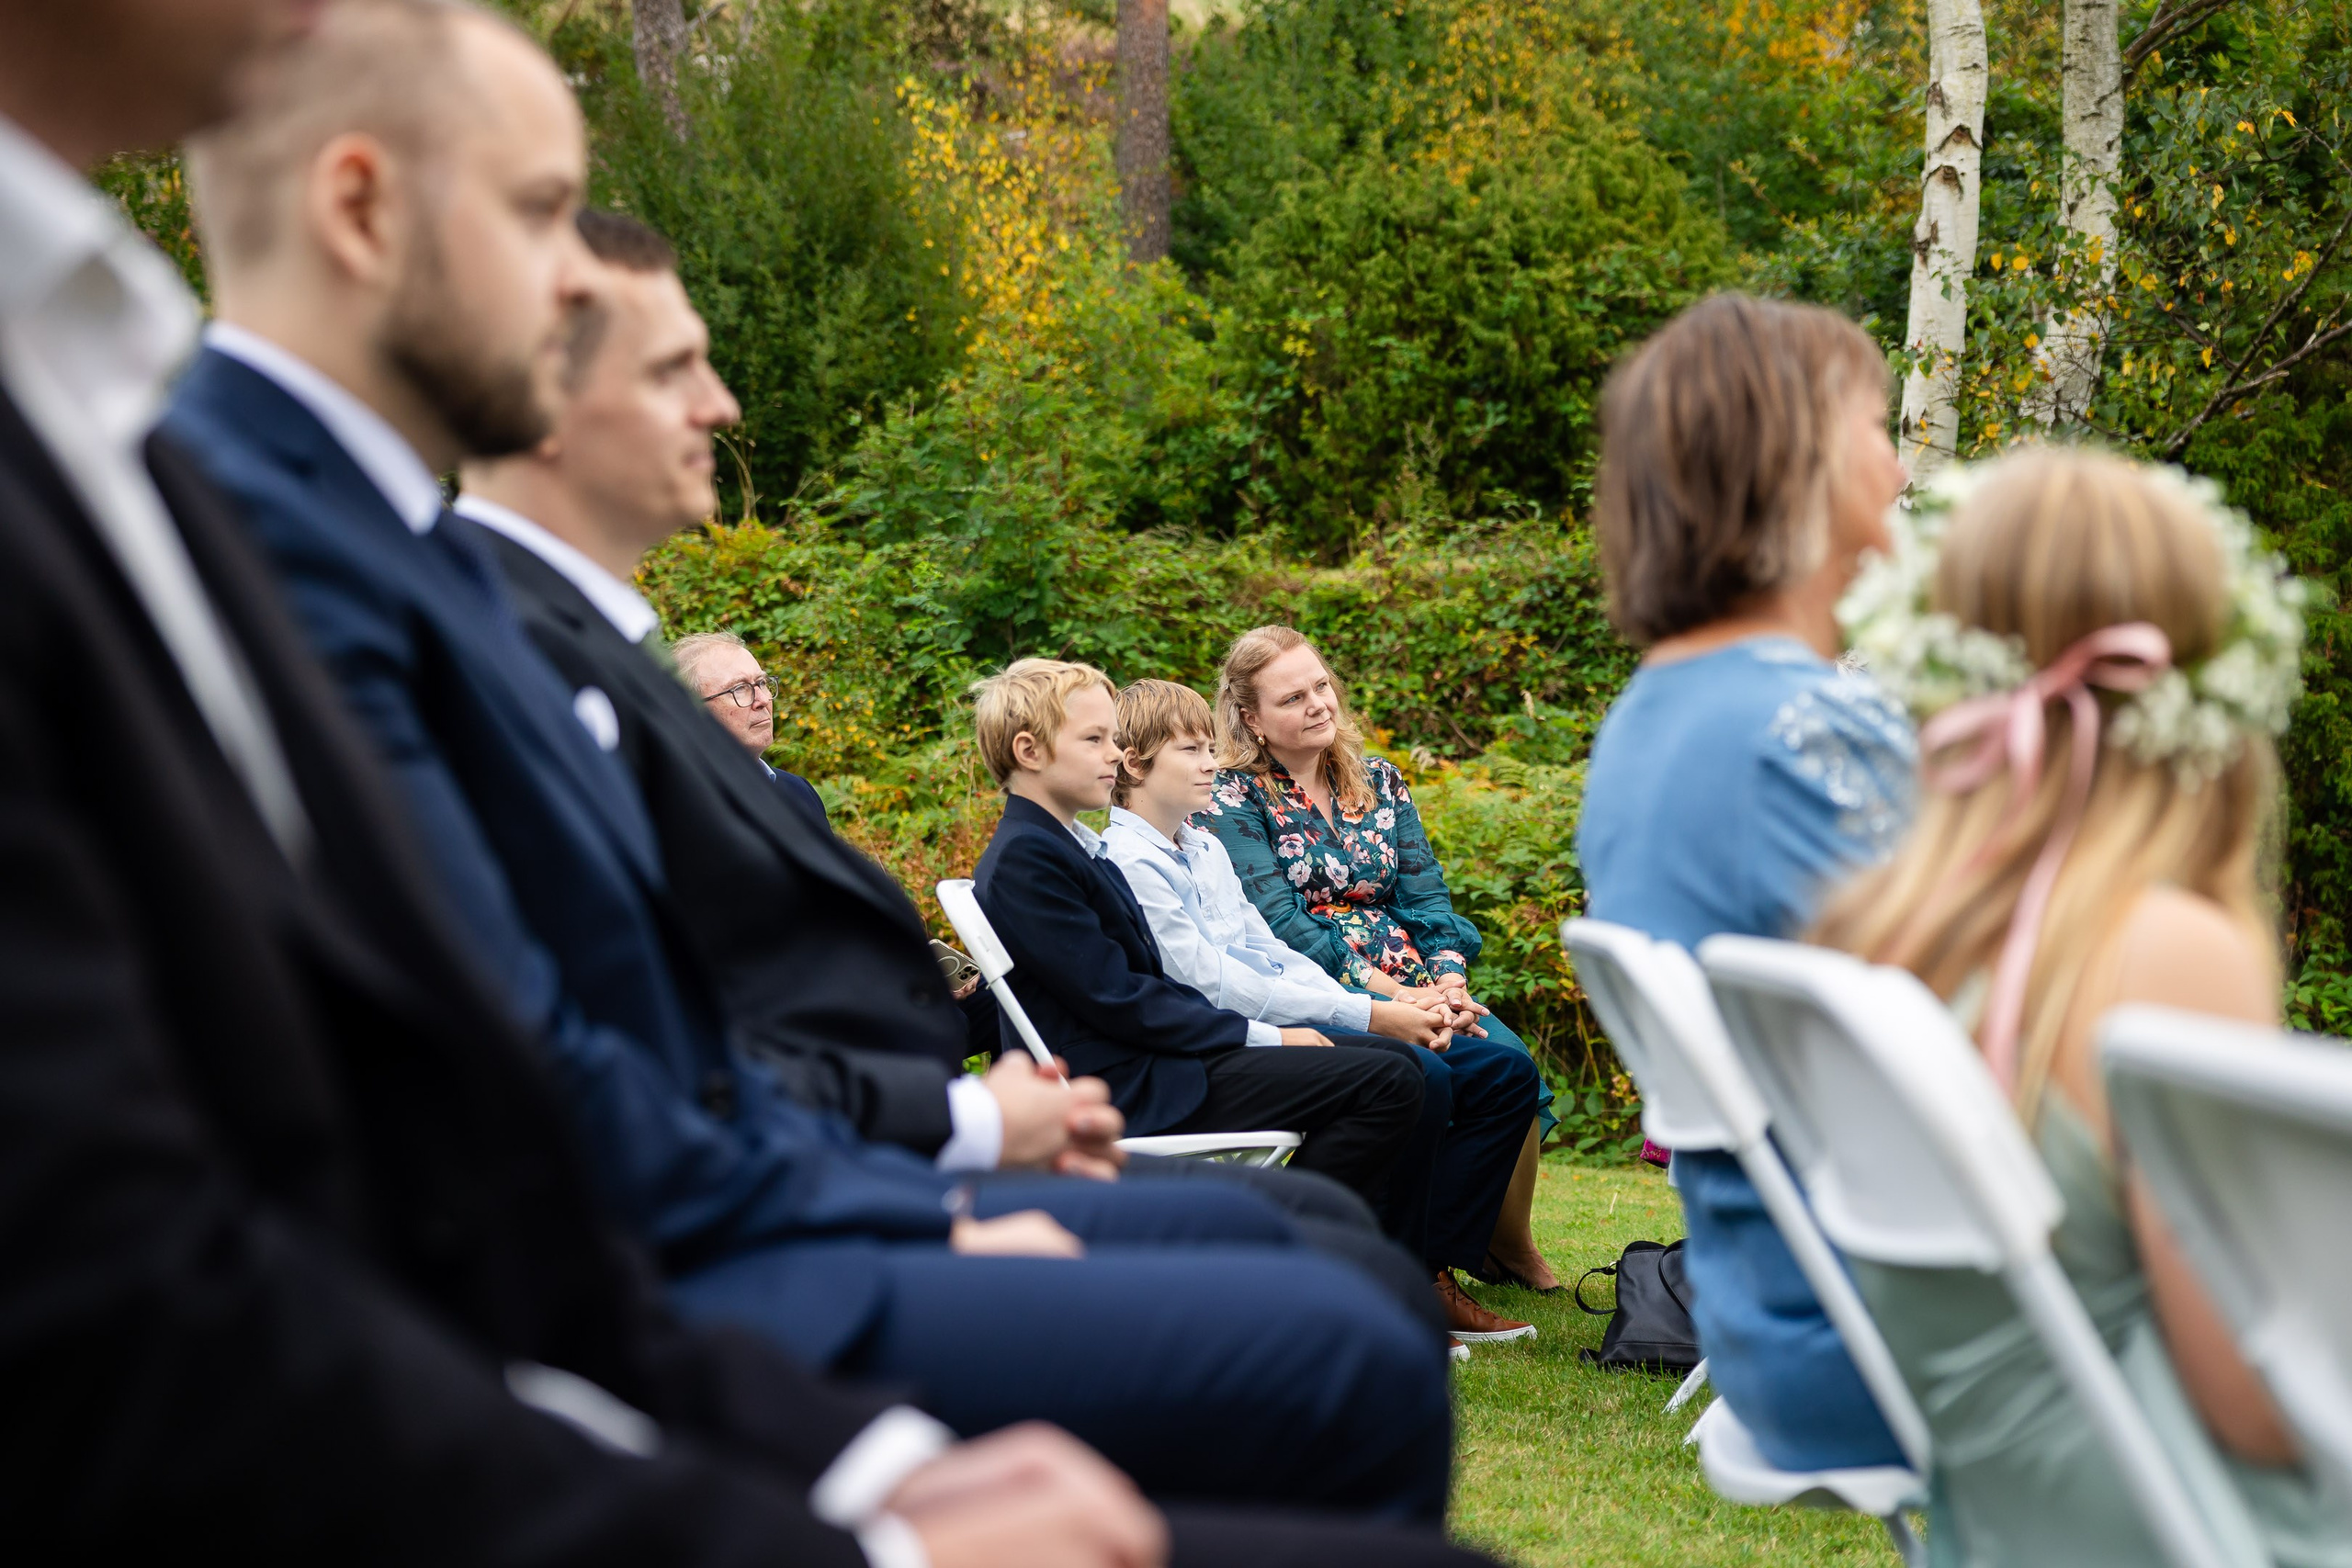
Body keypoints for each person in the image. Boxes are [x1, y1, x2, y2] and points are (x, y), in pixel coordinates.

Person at [0, 0, 1432, 1562]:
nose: (577, 293)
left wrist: (852, 1414)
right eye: (544, 213)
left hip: (625, 1303)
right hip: (583, 1337)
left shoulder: (197, 466)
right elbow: (431, 1142)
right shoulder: (261, 526)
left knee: (1335, 1302)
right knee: (1341, 1346)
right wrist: (873, 1394)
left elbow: (482, 1101)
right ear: (359, 207)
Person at [453, 209, 1428, 1286]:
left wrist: (951, 1132)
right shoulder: (519, 680)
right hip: (783, 1234)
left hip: (877, 1162)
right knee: (1360, 1288)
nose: (721, 404)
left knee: (1357, 1243)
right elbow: (661, 1059)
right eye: (674, 366)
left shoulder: (624, 679)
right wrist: (951, 1158)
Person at [1811, 447, 2346, 1566]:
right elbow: (2252, 1401)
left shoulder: (1880, 931)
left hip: (1998, 1519)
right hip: (2173, 1520)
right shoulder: (2161, 950)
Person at [1572, 291, 1913, 1472]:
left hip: (1770, 1306)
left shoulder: (1659, 715)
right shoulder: (1804, 723)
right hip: (1894, 1321)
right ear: (1797, 463)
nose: (1904, 462)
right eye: (1879, 426)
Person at [1105, 678, 1541, 1345]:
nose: (1210, 763)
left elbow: (1269, 950)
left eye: (1208, 748)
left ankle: (1427, 1268)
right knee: (1416, 1075)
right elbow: (1217, 984)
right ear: (1134, 763)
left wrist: (1382, 1002)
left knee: (1505, 1073)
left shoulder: (1202, 847)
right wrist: (1371, 1015)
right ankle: (1351, 1273)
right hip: (1226, 1042)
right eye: (1191, 750)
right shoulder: (1132, 862)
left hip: (1316, 1001)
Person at [971, 658, 1430, 1213]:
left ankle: (1304, 1243)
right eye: (1094, 740)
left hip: (1160, 1057)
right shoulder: (1029, 857)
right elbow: (1123, 1000)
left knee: (1398, 1067)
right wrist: (1266, 1037)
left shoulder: (1065, 847)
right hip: (1131, 1080)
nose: (1115, 755)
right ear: (1029, 752)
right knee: (1386, 1080)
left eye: (1114, 739)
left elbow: (1144, 986)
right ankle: (1280, 1244)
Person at [1204, 626, 1559, 1294]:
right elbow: (1280, 924)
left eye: (1321, 686)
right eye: (1293, 698)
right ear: (1250, 717)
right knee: (1443, 1068)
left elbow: (1425, 891)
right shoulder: (1233, 796)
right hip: (1321, 980)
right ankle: (1436, 1256)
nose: (1318, 704)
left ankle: (1500, 1244)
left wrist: (1448, 979)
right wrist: (1396, 997)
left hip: (1414, 974)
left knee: (1508, 1057)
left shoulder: (1378, 779)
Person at [672, 627, 830, 827]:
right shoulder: (676, 810)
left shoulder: (799, 792)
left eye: (762, 683)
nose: (763, 700)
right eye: (740, 689)